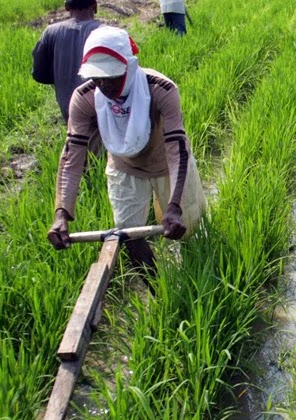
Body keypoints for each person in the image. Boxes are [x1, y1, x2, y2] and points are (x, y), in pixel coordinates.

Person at [47, 26, 207, 285]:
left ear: (129, 67)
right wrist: (61, 214)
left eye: (111, 76)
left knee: (189, 229)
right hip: (124, 167)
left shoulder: (160, 90)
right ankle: (159, 294)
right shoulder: (86, 97)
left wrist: (174, 206)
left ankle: (197, 283)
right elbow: (72, 156)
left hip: (167, 165)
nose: (105, 85)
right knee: (129, 235)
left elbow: (176, 149)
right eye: (98, 78)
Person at [32, 0, 102, 154]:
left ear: (66, 7)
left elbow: (39, 73)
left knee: (78, 145)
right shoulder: (104, 31)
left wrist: (61, 76)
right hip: (100, 103)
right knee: (100, 150)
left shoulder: (51, 32)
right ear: (95, 6)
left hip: (67, 104)